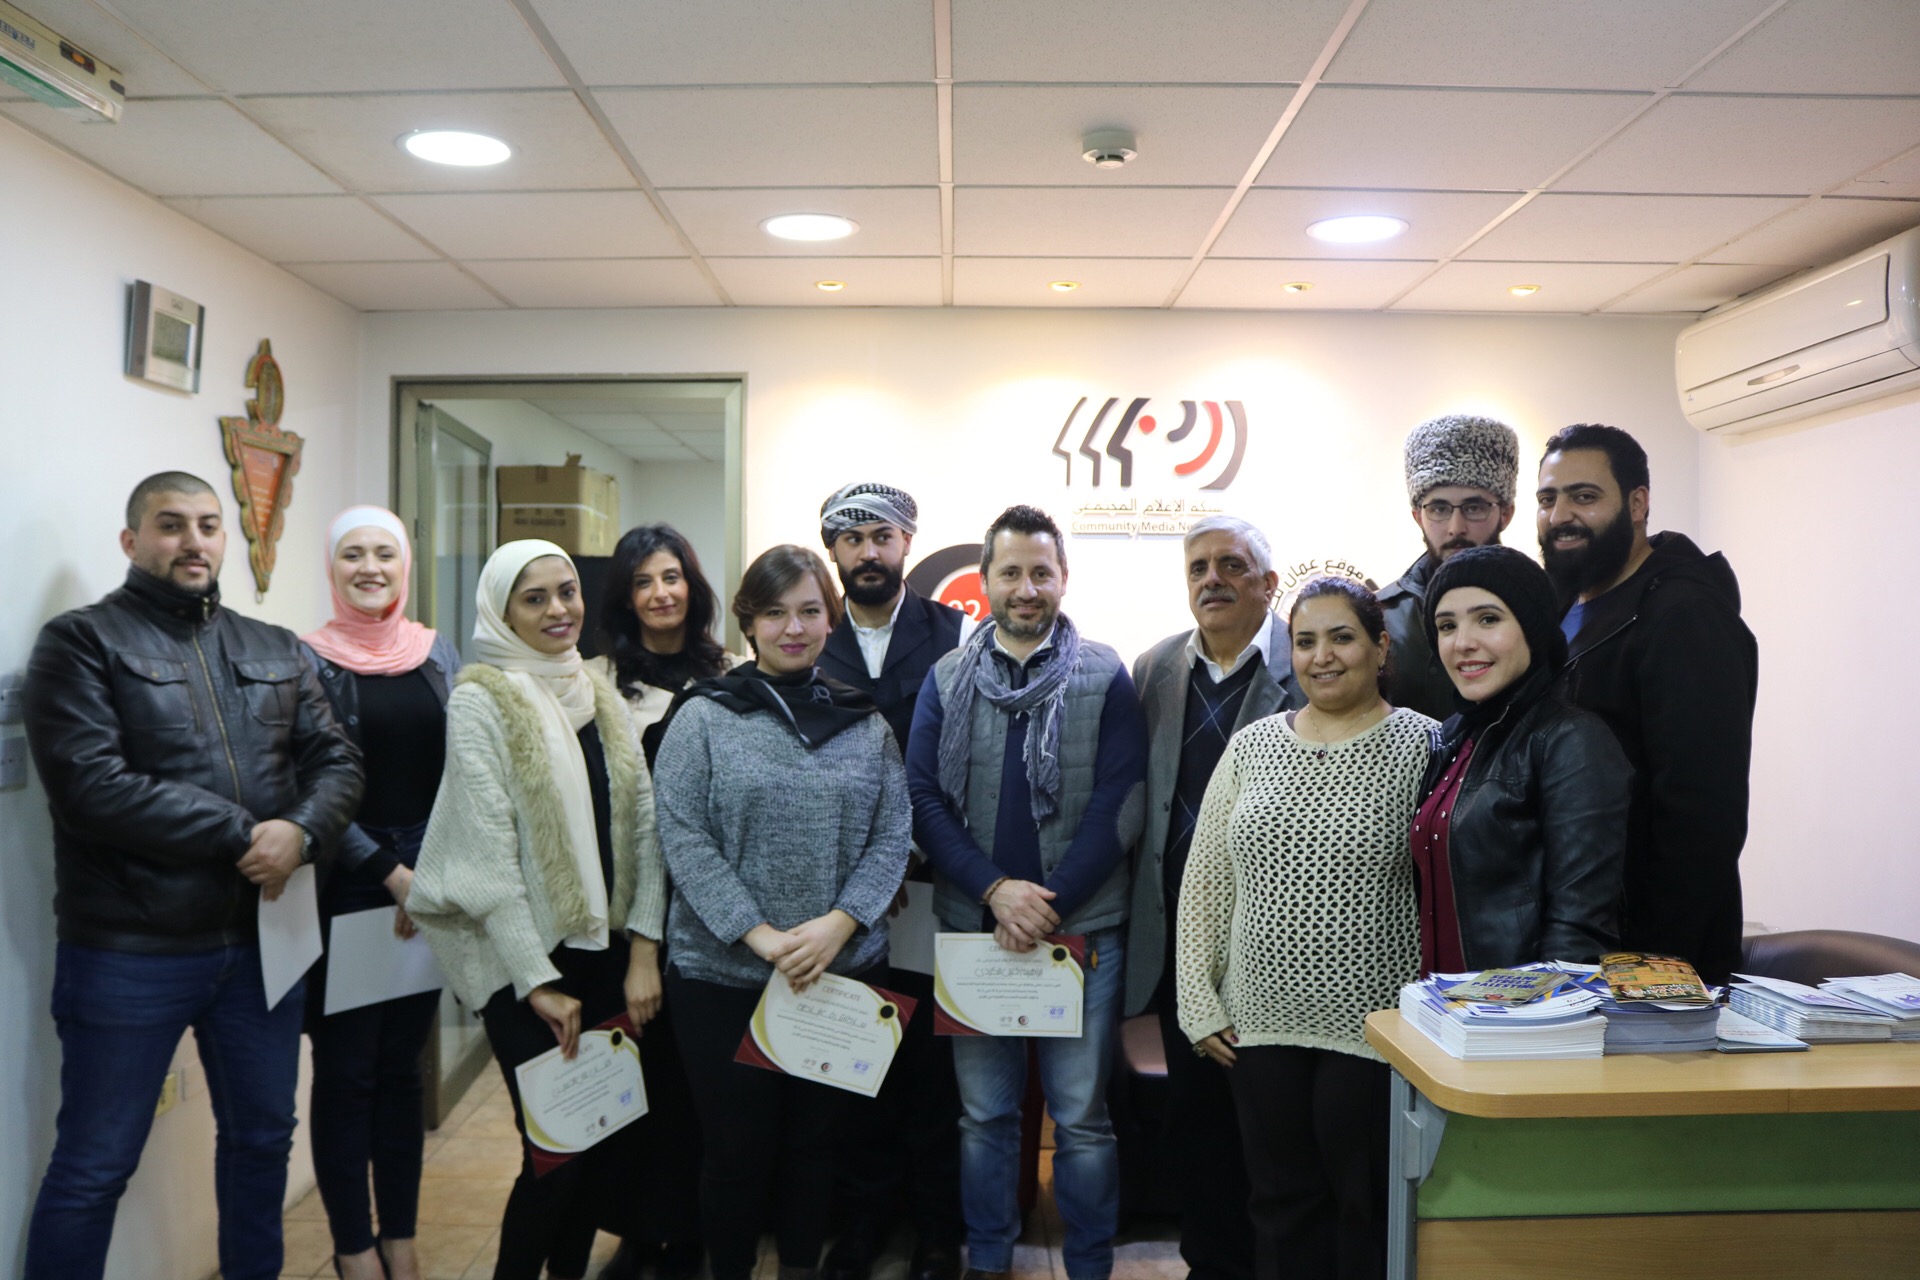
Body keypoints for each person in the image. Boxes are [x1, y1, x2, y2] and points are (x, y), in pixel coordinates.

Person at [21, 471, 363, 1280]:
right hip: (130, 948)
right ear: (131, 540)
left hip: (261, 944)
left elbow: (338, 761)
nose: (193, 541)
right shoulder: (81, 641)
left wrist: (302, 832)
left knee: (262, 1139)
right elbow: (91, 786)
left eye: (208, 525)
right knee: (96, 1165)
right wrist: (248, 835)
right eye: (171, 524)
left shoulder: (274, 645)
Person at [407, 540, 668, 1280]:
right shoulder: (480, 699)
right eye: (535, 598)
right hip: (524, 962)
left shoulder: (597, 691)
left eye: (567, 591)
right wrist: (536, 980)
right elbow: (488, 859)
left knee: (600, 1141)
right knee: (555, 1154)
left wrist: (643, 948)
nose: (559, 610)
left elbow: (645, 826)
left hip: (605, 954)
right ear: (503, 612)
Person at [651, 544, 911, 1280]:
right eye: (775, 612)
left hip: (837, 972)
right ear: (748, 622)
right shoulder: (703, 717)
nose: (793, 628)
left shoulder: (865, 723)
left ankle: (799, 1267)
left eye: (808, 611)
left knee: (816, 1149)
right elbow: (681, 835)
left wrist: (841, 924)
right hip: (721, 978)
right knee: (734, 1155)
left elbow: (894, 832)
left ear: (831, 619)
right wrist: (760, 937)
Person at [906, 505, 1148, 1280]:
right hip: (975, 932)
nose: (1026, 587)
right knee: (984, 1117)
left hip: (1082, 935)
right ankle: (987, 1258)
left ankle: (1088, 1263)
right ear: (984, 581)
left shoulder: (1105, 673)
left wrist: (1048, 903)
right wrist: (995, 892)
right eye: (1010, 572)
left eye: (1041, 571)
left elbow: (1122, 801)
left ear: (1063, 578)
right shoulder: (947, 677)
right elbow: (923, 799)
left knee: (1082, 1118)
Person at [1175, 576, 1432, 1280]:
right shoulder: (1253, 746)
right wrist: (1197, 999)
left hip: (1375, 1027)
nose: (1323, 656)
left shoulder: (1424, 745)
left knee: (1364, 1206)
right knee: (1280, 1202)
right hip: (1258, 1026)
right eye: (1306, 641)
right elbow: (1207, 881)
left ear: (1380, 647)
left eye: (1342, 638)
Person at [1125, 514, 1301, 1280]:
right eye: (1198, 567)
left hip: (1271, 944)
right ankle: (1211, 1265)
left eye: (1231, 564)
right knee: (1195, 1126)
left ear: (1269, 583)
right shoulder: (1154, 668)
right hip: (1178, 940)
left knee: (1271, 1131)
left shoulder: (1310, 662)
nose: (1212, 579)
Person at [814, 482, 970, 1280]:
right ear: (832, 550)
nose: (868, 552)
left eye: (882, 536)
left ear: (908, 542)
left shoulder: (956, 634)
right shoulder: (810, 638)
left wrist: (913, 850)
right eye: (853, 539)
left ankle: (938, 1233)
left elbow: (967, 761)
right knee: (857, 1064)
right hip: (840, 902)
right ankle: (863, 1226)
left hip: (932, 891)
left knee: (934, 1072)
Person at [1535, 424, 1758, 984]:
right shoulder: (1558, 605)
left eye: (1584, 496)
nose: (1560, 515)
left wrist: (1654, 967)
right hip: (1574, 935)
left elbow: (1701, 814)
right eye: (1548, 498)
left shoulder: (1683, 615)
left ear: (1638, 504)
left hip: (1645, 959)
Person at [300, 507, 461, 1280]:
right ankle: (353, 1248)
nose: (370, 568)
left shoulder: (437, 652)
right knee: (347, 1077)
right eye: (353, 554)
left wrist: (425, 875)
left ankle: (400, 1236)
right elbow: (304, 782)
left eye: (385, 553)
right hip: (346, 889)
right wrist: (389, 874)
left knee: (403, 1074)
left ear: (406, 564)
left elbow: (461, 772)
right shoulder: (303, 660)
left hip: (426, 890)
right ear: (332, 567)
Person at [584, 522, 738, 1280]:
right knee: (633, 1076)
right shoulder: (597, 681)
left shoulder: (733, 672)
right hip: (625, 909)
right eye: (642, 582)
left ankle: (691, 1232)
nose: (660, 594)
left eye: (671, 577)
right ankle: (639, 1232)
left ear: (692, 585)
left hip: (712, 911)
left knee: (697, 1084)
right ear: (624, 597)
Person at [1414, 546, 1631, 974]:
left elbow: (1579, 928)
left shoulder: (1571, 739)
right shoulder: (1453, 735)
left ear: (1532, 629)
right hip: (1446, 1004)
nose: (1463, 643)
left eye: (1488, 619)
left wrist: (1537, 1011)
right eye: (1446, 626)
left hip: (1519, 1010)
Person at [1377, 413, 1521, 721]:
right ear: (1418, 516)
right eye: (1439, 508)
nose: (1456, 527)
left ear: (1506, 514)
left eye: (1474, 507)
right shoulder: (1381, 615)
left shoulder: (1544, 605)